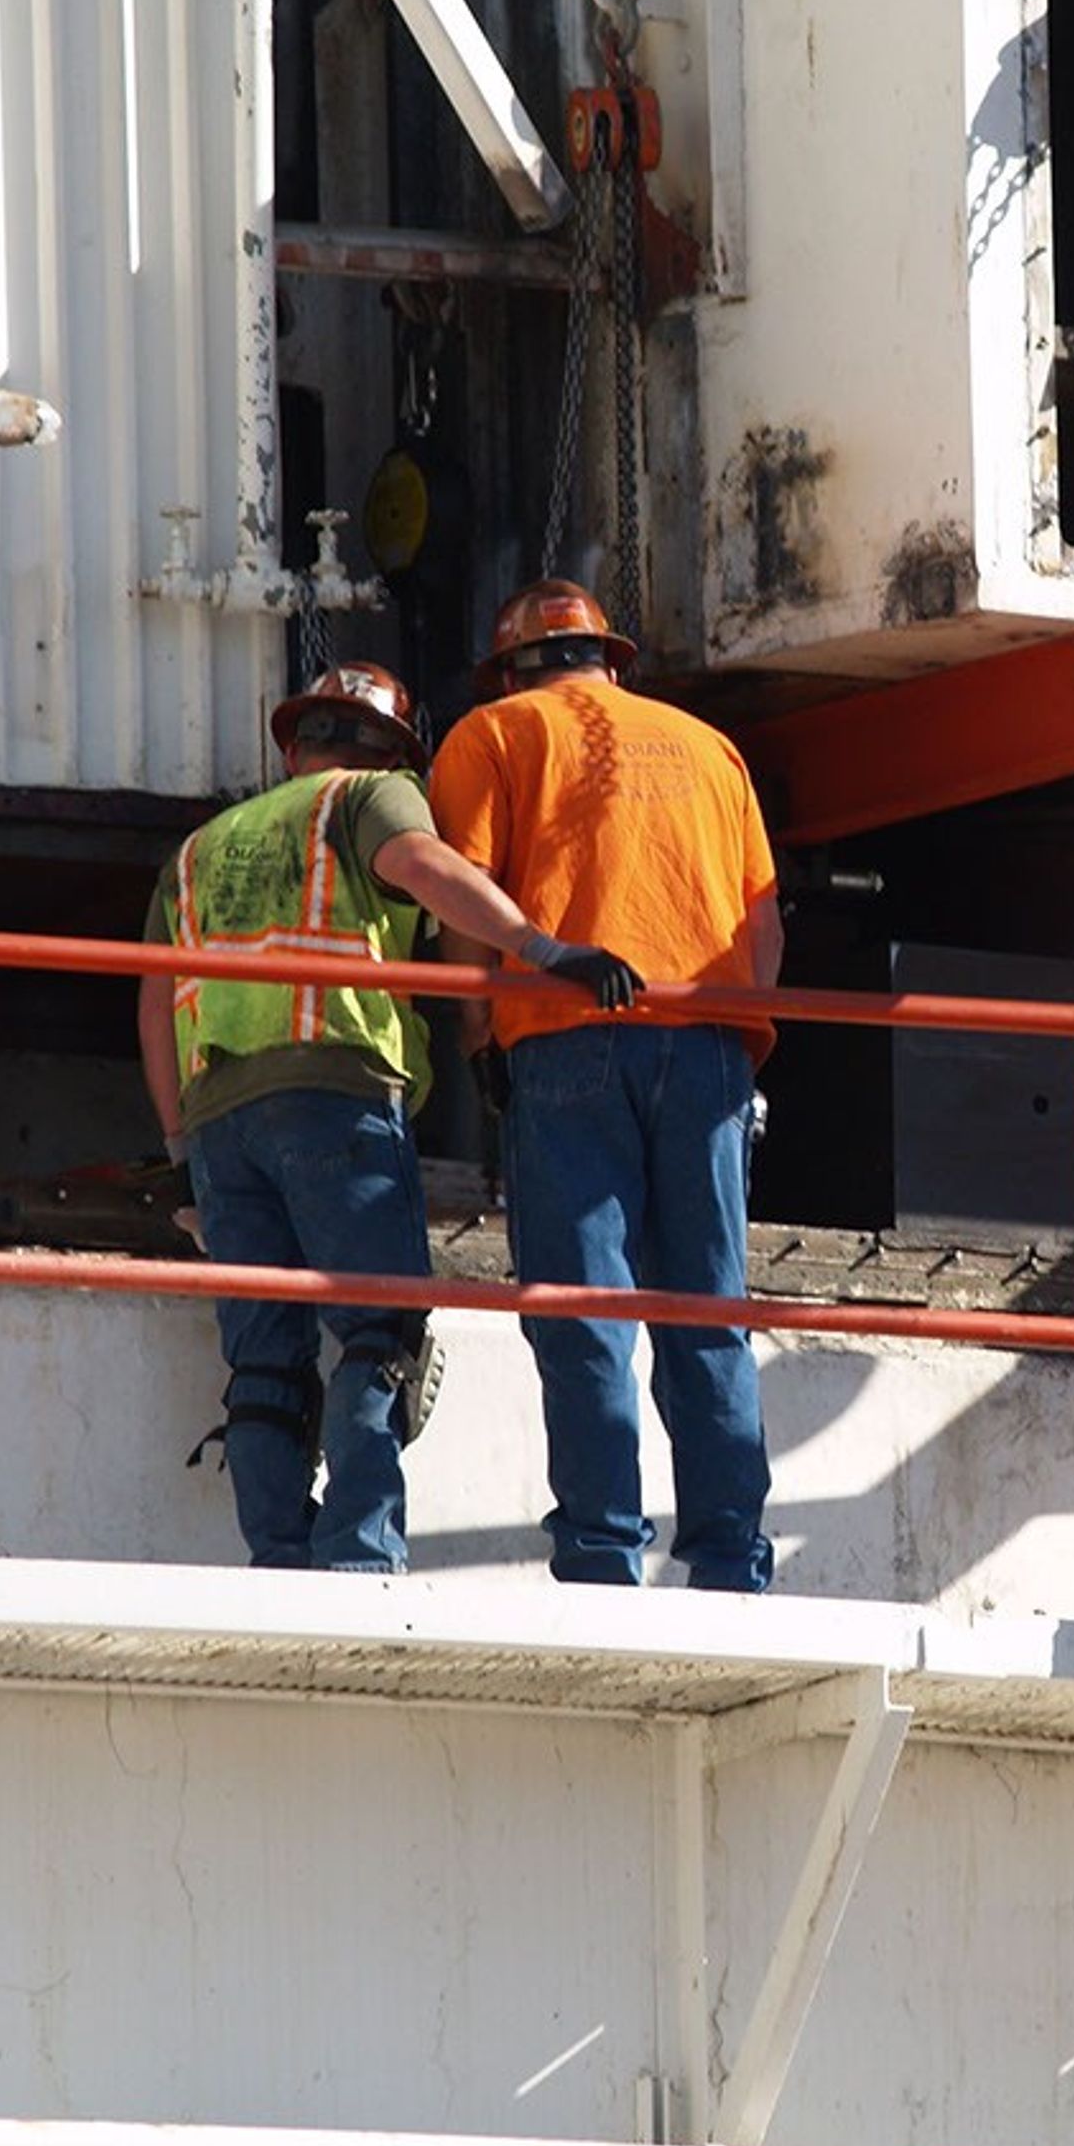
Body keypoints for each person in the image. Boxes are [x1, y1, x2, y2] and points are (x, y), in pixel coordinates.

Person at [138, 661, 644, 1576]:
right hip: (334, 1094)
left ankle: (279, 1557)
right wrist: (539, 948)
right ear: (397, 755)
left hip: (220, 1122)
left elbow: (152, 1002)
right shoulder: (369, 798)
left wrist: (182, 1155)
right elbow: (422, 866)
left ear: (294, 745)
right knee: (381, 1334)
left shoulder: (196, 848)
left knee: (264, 1357)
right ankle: (360, 1556)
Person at [428, 582, 782, 1593]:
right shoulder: (710, 749)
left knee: (585, 1308)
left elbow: (471, 906)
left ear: (515, 671)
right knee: (709, 1310)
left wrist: (480, 1039)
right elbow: (763, 929)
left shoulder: (492, 735)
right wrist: (737, 1051)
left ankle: (599, 1555)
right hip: (710, 1040)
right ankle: (728, 1559)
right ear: (611, 663)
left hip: (566, 1037)